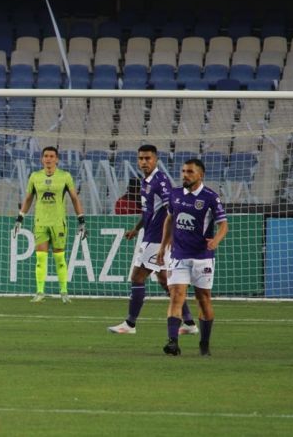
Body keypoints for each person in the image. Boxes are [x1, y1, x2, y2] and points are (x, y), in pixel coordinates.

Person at [108, 145, 197, 335]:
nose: (144, 162)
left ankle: (130, 324)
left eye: (148, 158)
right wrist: (136, 228)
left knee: (137, 277)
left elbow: (172, 209)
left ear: (156, 159)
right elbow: (149, 210)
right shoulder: (145, 181)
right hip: (150, 236)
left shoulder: (160, 181)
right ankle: (189, 322)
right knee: (165, 280)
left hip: (157, 239)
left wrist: (168, 241)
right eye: (141, 158)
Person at [157, 158, 228, 356]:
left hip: (202, 257)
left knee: (203, 299)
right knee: (176, 295)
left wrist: (216, 240)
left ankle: (204, 344)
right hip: (178, 255)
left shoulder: (210, 197)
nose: (185, 175)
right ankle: (173, 343)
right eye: (183, 171)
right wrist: (163, 247)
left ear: (200, 175)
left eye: (189, 172)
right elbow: (169, 219)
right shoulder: (175, 194)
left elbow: (224, 225)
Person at [14, 146, 86, 303]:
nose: (48, 159)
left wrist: (81, 219)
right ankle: (40, 292)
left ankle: (64, 292)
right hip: (40, 222)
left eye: (52, 156)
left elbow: (74, 198)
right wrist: (20, 218)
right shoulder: (35, 176)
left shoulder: (65, 176)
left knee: (60, 258)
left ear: (57, 159)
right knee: (40, 258)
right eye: (46, 156)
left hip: (58, 223)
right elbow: (28, 199)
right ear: (41, 159)